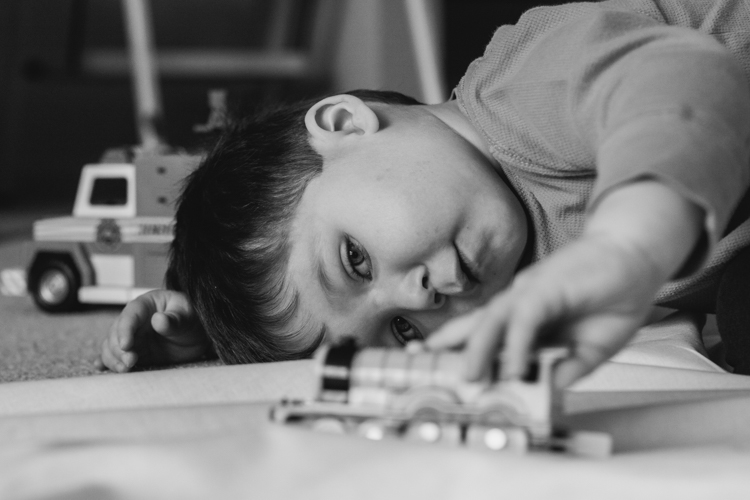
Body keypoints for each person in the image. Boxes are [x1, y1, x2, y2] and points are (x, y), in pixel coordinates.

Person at [98, 0, 750, 387]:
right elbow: (309, 314)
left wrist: (628, 247)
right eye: (403, 331)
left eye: (356, 260)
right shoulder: (503, 270)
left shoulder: (524, 89)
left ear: (343, 126)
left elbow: (683, 84)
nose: (418, 298)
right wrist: (204, 332)